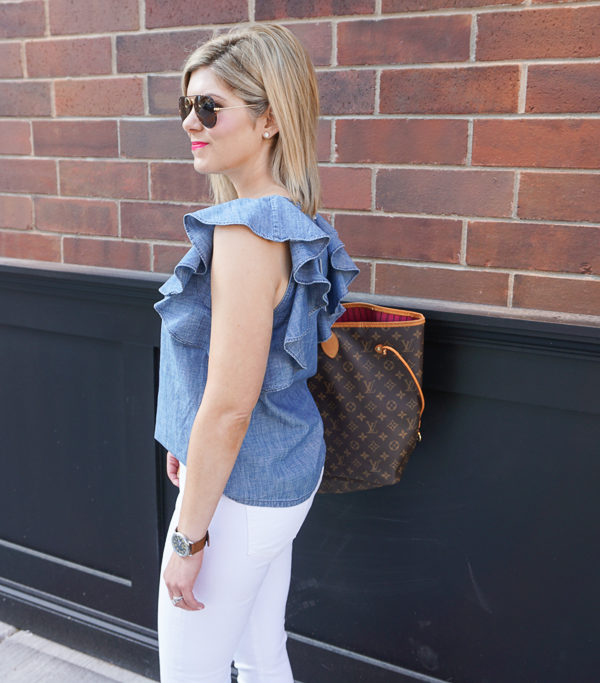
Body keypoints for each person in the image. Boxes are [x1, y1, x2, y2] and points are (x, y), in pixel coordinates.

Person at [153, 23, 359, 682]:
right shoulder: (292, 214)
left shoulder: (244, 232)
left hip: (240, 493)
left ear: (269, 118)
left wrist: (188, 536)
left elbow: (231, 406)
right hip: (284, 474)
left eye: (209, 106)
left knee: (193, 671)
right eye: (186, 105)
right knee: (261, 650)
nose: (191, 121)